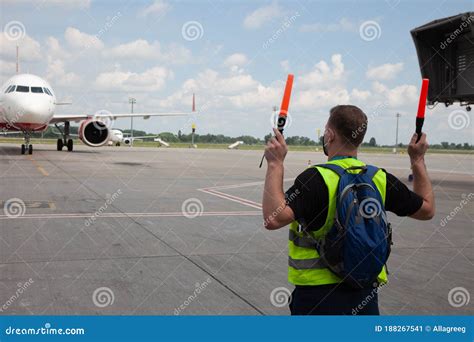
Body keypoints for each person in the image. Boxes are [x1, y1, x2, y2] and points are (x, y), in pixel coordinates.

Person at [262, 105, 435, 315]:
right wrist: (417, 159)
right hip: (365, 295)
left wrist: (275, 164)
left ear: (330, 135)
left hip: (317, 298)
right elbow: (427, 209)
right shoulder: (379, 178)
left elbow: (274, 218)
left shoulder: (316, 179)